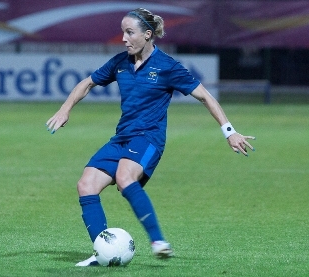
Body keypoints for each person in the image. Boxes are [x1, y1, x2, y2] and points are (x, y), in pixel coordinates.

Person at [46, 8, 255, 266]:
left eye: (129, 32)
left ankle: (158, 241)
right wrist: (65, 109)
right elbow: (87, 83)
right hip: (121, 138)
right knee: (85, 185)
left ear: (147, 35)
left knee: (125, 177)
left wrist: (229, 132)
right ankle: (103, 252)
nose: (123, 38)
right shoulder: (120, 63)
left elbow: (205, 96)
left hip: (148, 139)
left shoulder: (167, 66)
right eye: (122, 32)